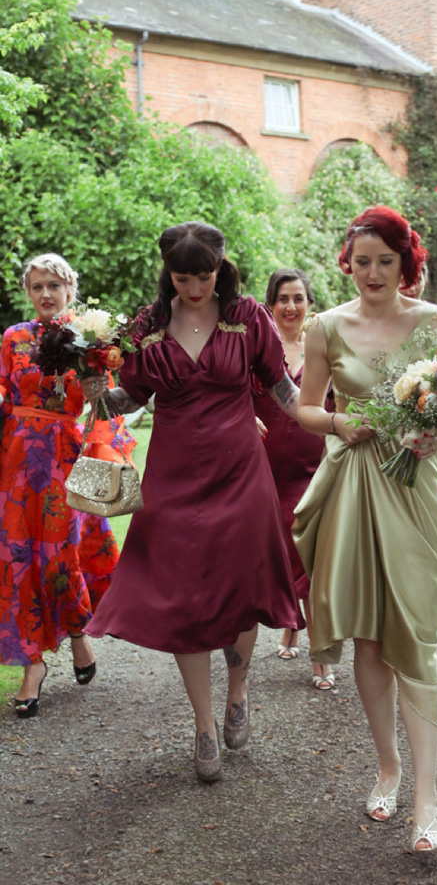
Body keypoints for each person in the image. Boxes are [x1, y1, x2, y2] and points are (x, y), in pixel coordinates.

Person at [85, 222, 304, 783]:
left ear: (220, 267)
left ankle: (238, 689)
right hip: (174, 476)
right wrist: (92, 388)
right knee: (185, 595)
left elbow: (281, 387)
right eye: (183, 278)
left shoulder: (248, 317)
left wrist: (327, 423)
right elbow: (125, 400)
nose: (194, 288)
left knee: (244, 585)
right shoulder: (147, 326)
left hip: (240, 472)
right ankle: (204, 724)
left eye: (203, 277)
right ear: (169, 274)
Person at [294, 206, 437, 853]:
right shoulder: (325, 326)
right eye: (360, 261)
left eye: (383, 261)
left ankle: (427, 802)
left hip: (414, 490)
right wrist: (337, 424)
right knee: (368, 638)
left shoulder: (436, 321)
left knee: (414, 636)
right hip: (355, 487)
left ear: (404, 262)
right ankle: (387, 765)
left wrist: (433, 432)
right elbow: (305, 407)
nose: (371, 273)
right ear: (348, 262)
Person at [0, 253, 132, 718]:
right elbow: (4, 397)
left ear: (70, 291)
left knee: (58, 556)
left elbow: (106, 408)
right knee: (18, 557)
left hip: (64, 461)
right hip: (16, 465)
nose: (45, 294)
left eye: (54, 285)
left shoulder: (88, 341)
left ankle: (76, 635)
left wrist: (98, 379)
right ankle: (34, 664)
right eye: (37, 287)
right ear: (28, 293)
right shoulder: (13, 337)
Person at [251, 268, 335, 690]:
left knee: (314, 557)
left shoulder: (322, 345)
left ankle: (320, 655)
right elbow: (238, 393)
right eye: (283, 298)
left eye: (298, 298)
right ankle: (291, 627)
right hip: (266, 470)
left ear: (309, 303)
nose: (291, 306)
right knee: (285, 555)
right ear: (270, 305)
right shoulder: (259, 347)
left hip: (314, 470)